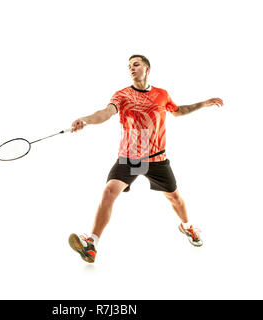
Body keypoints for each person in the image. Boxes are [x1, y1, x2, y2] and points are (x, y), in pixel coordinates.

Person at [68, 54, 224, 263]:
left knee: (174, 197)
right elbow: (105, 113)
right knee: (109, 191)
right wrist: (85, 120)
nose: (131, 68)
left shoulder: (162, 94)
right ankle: (92, 243)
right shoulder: (122, 95)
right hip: (131, 156)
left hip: (157, 158)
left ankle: (187, 227)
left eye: (136, 64)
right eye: (129, 66)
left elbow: (178, 111)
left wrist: (203, 103)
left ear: (147, 69)